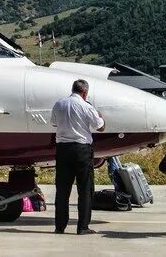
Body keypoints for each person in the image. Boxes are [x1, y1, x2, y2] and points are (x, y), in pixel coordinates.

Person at [50, 79, 105, 235]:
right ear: (85, 92)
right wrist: (99, 115)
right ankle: (82, 226)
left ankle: (60, 226)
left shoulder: (59, 104)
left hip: (62, 149)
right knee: (85, 189)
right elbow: (100, 127)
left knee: (62, 189)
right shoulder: (87, 106)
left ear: (73, 89)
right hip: (81, 149)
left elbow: (53, 122)